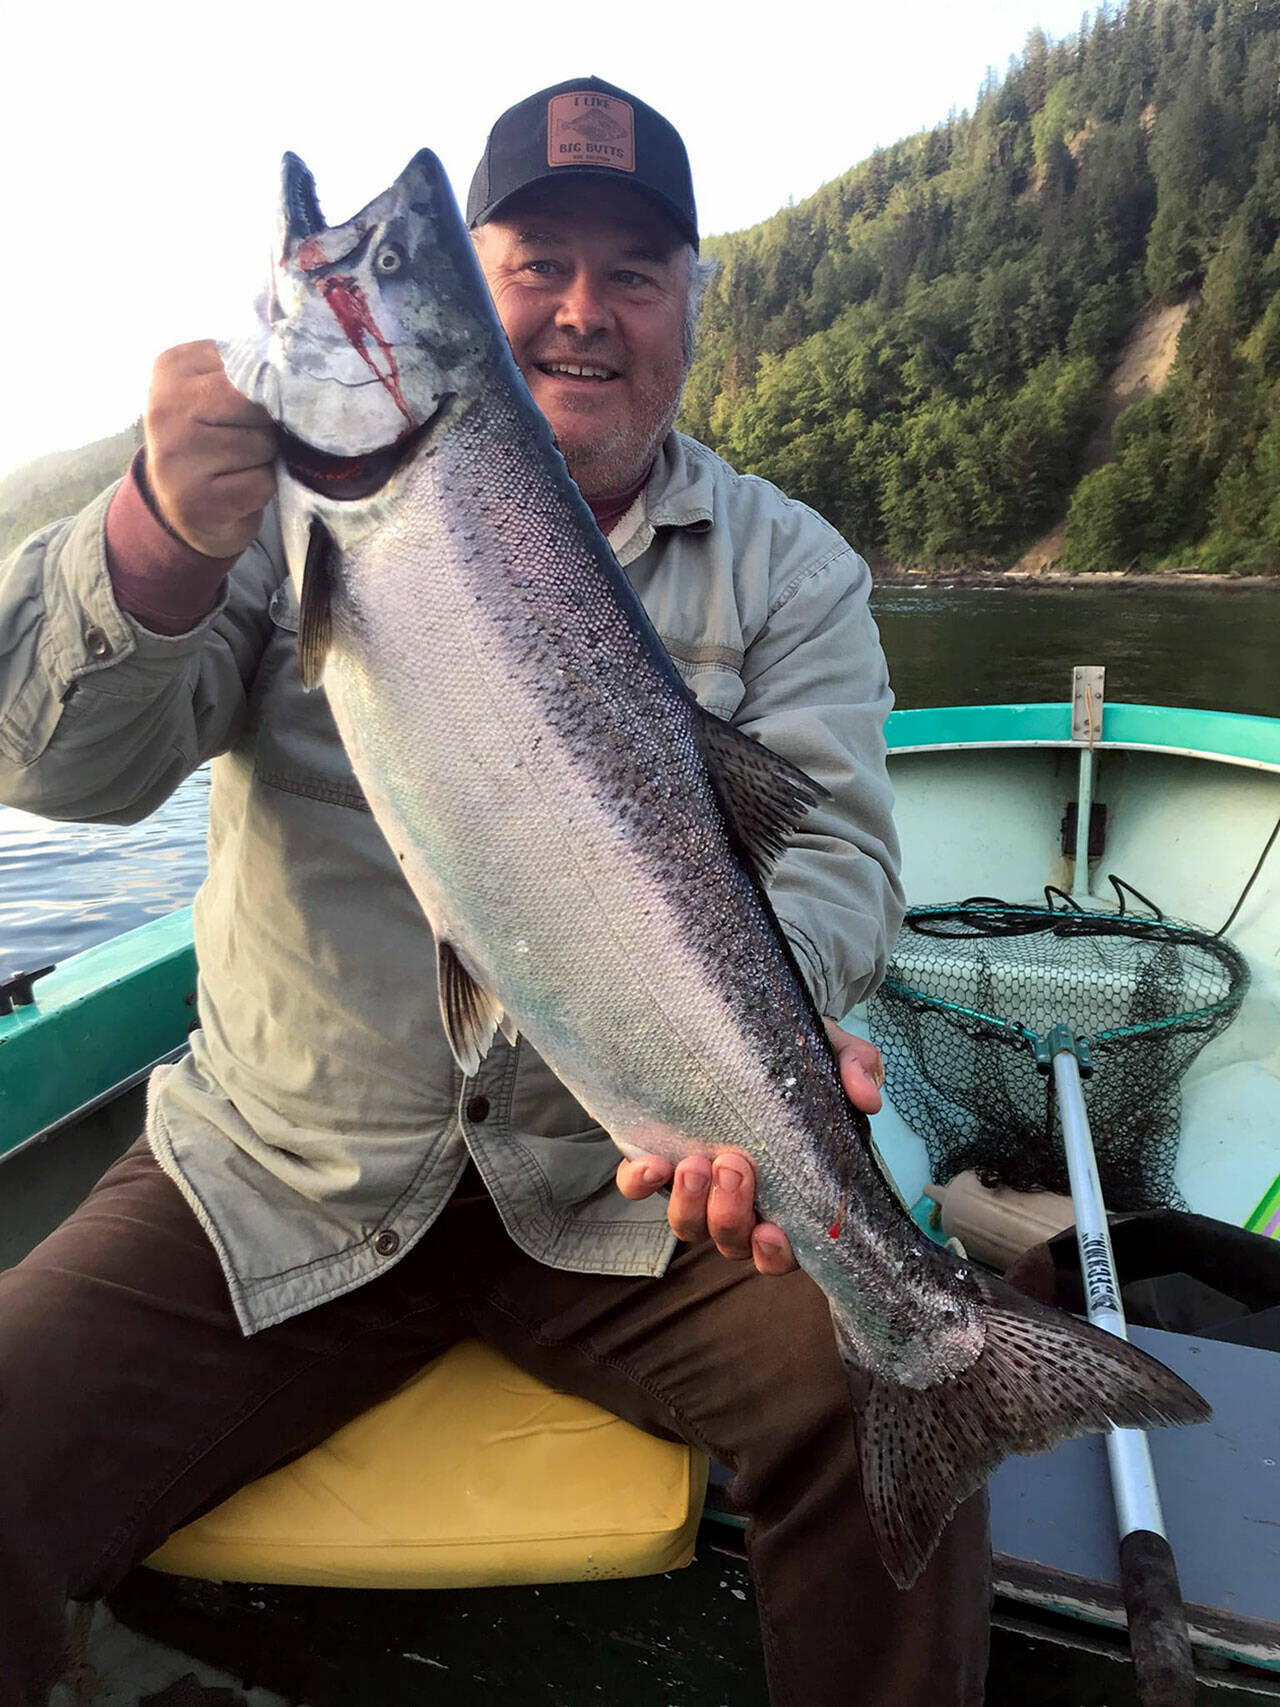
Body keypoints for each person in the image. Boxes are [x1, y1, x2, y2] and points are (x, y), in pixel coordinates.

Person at [0, 77, 990, 1707]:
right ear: (476, 280)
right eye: (532, 265)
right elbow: (58, 774)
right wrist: (157, 539)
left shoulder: (789, 565)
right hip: (276, 1174)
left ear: (691, 305)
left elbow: (836, 862)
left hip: (623, 1200)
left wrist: (765, 1032)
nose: (584, 312)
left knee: (888, 1371)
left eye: (637, 272)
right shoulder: (259, 508)